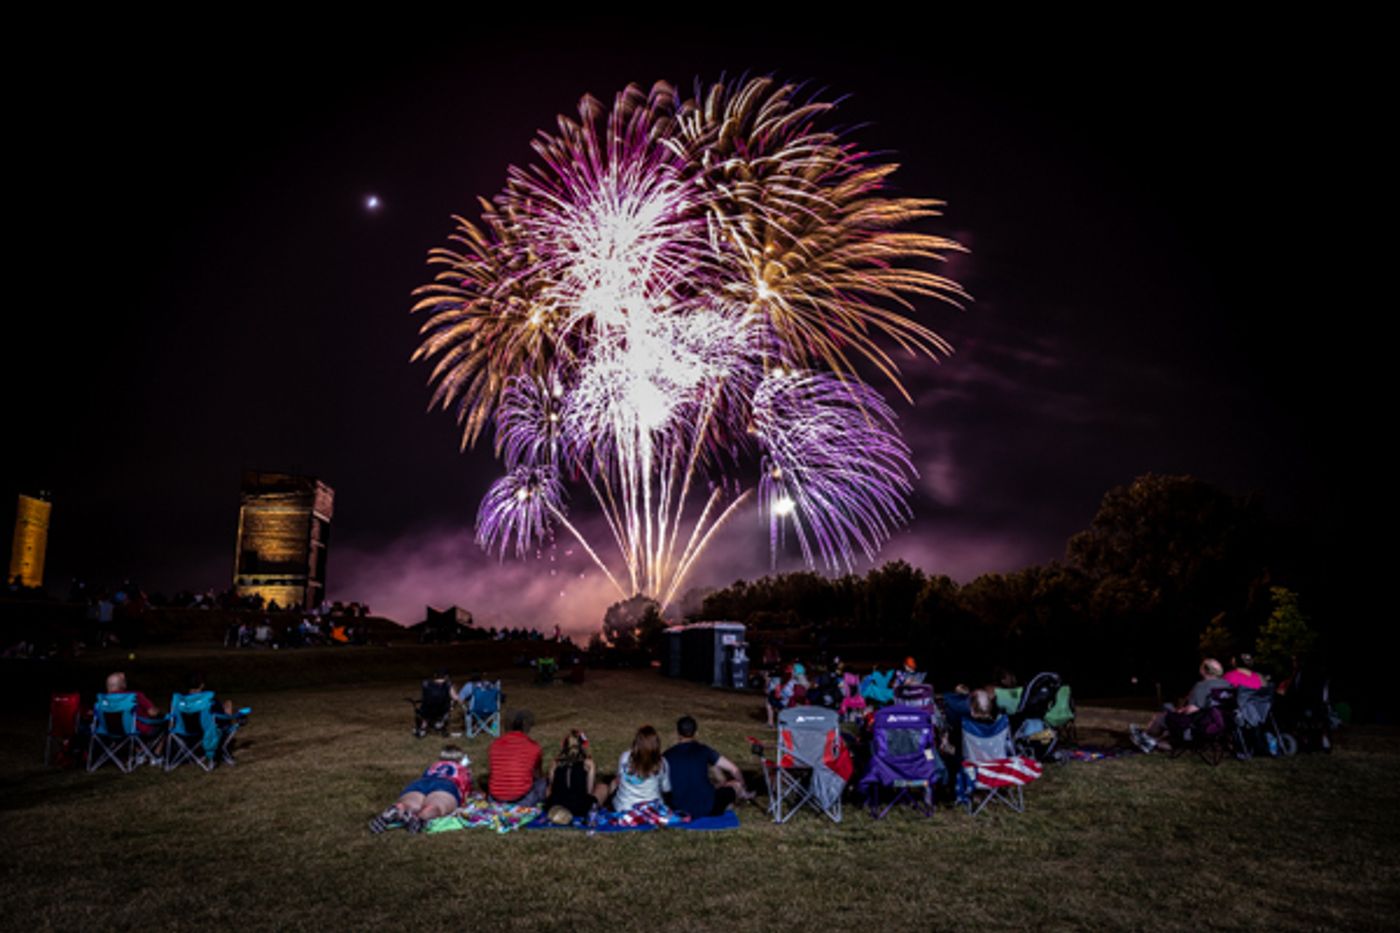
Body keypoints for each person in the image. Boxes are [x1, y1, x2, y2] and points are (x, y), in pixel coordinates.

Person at [1130, 659, 1231, 752]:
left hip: (1197, 726)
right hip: (1219, 725)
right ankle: (1151, 740)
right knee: (1169, 710)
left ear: (1204, 670)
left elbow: (1192, 710)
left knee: (1162, 716)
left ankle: (1147, 738)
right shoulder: (1227, 684)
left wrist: (1180, 711)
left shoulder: (1202, 686)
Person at [663, 715, 752, 817]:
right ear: (696, 732)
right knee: (736, 785)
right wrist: (743, 787)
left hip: (678, 808)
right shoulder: (704, 750)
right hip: (708, 807)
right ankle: (741, 797)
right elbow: (734, 769)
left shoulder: (667, 755)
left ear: (677, 733)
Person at [369, 746, 472, 833]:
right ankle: (420, 818)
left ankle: (400, 808)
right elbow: (466, 791)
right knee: (436, 806)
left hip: (421, 782)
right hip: (446, 784)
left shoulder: (433, 766)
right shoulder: (463, 769)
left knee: (411, 804)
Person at [595, 725, 670, 812]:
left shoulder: (625, 757)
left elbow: (618, 780)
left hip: (624, 807)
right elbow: (666, 790)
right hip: (652, 810)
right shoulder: (662, 762)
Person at [487, 709, 547, 806]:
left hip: (495, 799)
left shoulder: (495, 745)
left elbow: (493, 771)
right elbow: (538, 774)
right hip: (523, 800)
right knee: (543, 783)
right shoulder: (533, 747)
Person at [104, 671, 163, 764]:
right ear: (123, 685)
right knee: (165, 724)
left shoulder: (103, 700)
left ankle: (140, 753)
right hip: (136, 731)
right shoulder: (135, 695)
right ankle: (155, 755)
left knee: (132, 728)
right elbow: (152, 712)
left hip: (110, 731)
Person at [544, 730, 597, 823]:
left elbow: (551, 787)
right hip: (579, 808)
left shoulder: (555, 763)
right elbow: (589, 791)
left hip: (556, 805)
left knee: (548, 789)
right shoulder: (588, 764)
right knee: (601, 789)